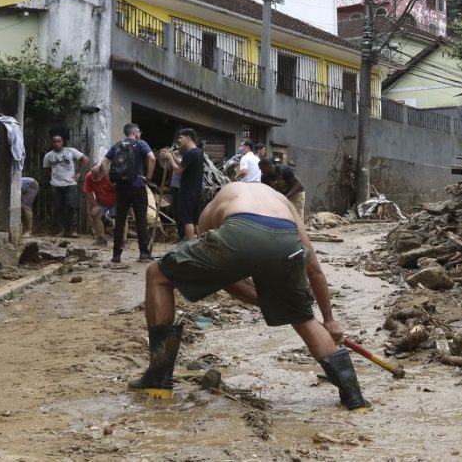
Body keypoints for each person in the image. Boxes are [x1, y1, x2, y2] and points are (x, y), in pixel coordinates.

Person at [128, 183, 370, 412]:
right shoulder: (282, 202)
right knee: (304, 318)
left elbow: (222, 277)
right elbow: (314, 269)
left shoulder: (213, 208)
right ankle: (354, 398)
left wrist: (266, 302)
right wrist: (328, 320)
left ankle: (158, 380)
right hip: (286, 237)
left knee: (157, 274)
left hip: (239, 229)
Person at [101, 123, 156, 263]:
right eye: (139, 132)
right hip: (138, 187)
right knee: (141, 220)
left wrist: (111, 181)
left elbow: (104, 163)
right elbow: (152, 158)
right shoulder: (141, 143)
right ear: (135, 132)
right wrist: (148, 177)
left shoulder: (117, 145)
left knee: (120, 221)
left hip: (121, 188)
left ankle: (116, 255)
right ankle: (144, 253)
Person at [159, 128, 204, 240]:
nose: (178, 140)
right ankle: (200, 242)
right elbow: (183, 164)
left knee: (187, 220)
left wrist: (170, 158)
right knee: (196, 220)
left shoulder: (189, 153)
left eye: (180, 138)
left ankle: (189, 245)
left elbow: (178, 170)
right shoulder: (198, 152)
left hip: (187, 191)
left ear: (188, 138)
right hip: (196, 191)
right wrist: (173, 155)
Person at [42, 135, 89, 237]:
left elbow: (85, 159)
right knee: (58, 208)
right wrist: (52, 177)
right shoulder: (48, 156)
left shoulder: (70, 151)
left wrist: (79, 173)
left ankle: (73, 230)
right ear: (52, 143)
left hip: (70, 184)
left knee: (71, 206)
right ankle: (61, 230)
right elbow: (45, 169)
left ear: (63, 142)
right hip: (55, 185)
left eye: (59, 141)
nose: (57, 143)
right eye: (55, 142)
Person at [82, 166, 117, 246]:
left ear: (103, 173)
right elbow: (88, 192)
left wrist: (122, 205)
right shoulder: (89, 176)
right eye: (93, 175)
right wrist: (95, 205)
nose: (94, 177)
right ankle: (101, 238)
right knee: (95, 213)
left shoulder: (111, 176)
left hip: (116, 201)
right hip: (101, 201)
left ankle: (122, 240)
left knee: (121, 217)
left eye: (96, 175)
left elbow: (120, 191)